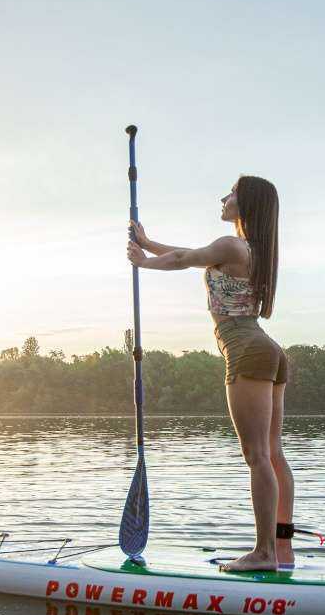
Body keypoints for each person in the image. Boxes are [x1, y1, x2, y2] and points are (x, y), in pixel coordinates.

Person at [126, 175, 295, 572]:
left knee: (256, 457)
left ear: (247, 203)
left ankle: (264, 553)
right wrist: (149, 244)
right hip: (267, 349)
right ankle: (282, 550)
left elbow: (183, 260)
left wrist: (143, 263)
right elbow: (190, 252)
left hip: (246, 350)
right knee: (272, 454)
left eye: (232, 193)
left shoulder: (231, 245)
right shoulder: (251, 249)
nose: (224, 198)